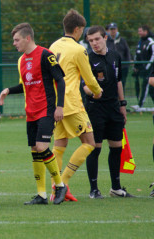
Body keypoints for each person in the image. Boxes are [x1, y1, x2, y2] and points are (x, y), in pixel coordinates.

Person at [0, 23, 67, 205]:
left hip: (46, 110)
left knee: (42, 147)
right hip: (31, 112)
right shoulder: (21, 60)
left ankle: (59, 185)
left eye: (16, 40)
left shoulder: (46, 55)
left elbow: (60, 80)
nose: (14, 43)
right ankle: (41, 195)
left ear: (27, 38)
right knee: (35, 151)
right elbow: (25, 84)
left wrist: (60, 106)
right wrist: (8, 90)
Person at [49, 9, 103, 201]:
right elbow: (89, 78)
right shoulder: (79, 49)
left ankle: (57, 187)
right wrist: (97, 91)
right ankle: (61, 184)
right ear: (78, 29)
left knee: (60, 145)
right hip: (71, 103)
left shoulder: (53, 46)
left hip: (56, 104)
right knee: (89, 143)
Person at [85, 25, 133, 198]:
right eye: (90, 41)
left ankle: (116, 188)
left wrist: (122, 105)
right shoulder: (87, 59)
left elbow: (119, 81)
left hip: (113, 108)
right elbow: (83, 86)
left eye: (97, 39)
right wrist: (93, 92)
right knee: (95, 148)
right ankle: (94, 190)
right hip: (95, 109)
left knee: (116, 147)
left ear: (105, 38)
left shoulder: (115, 56)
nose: (94, 43)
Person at [132, 25, 154, 110]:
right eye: (138, 31)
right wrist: (136, 66)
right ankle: (140, 104)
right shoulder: (140, 42)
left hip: (150, 69)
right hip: (143, 69)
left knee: (147, 86)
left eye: (140, 31)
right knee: (145, 86)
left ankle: (140, 105)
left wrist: (148, 66)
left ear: (146, 31)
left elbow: (153, 55)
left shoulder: (150, 41)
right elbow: (137, 54)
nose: (139, 33)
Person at [108, 23, 132, 92]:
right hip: (111, 66)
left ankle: (121, 98)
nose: (113, 31)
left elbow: (127, 51)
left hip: (123, 66)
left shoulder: (122, 40)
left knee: (122, 82)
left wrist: (127, 63)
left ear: (117, 29)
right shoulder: (106, 40)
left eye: (114, 29)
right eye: (111, 29)